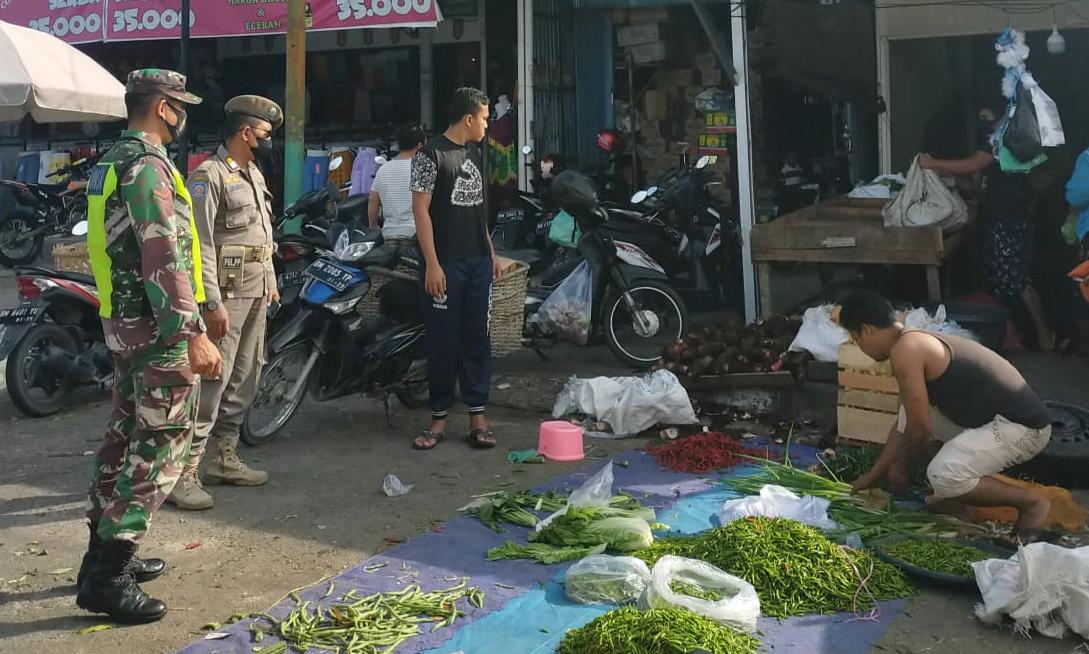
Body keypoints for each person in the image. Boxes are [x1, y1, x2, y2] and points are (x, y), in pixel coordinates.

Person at [79, 69, 222, 622]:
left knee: (122, 437)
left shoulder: (110, 161)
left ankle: (99, 557)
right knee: (159, 447)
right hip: (158, 330)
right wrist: (192, 332)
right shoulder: (147, 167)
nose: (184, 113)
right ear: (163, 107)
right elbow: (161, 253)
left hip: (125, 324)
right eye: (179, 104)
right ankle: (110, 576)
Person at [842, 290, 1053, 546]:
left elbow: (920, 432)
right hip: (991, 418)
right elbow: (905, 422)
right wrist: (875, 475)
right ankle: (954, 497)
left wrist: (903, 467)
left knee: (942, 474)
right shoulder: (911, 340)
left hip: (1024, 427)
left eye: (855, 339)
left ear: (866, 330)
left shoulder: (906, 351)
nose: (860, 347)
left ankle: (1031, 503)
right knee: (907, 417)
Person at [167, 96, 283, 511]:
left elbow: (258, 237)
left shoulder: (251, 173)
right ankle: (184, 473)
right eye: (267, 134)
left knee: (246, 376)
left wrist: (269, 282)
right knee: (212, 382)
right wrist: (210, 301)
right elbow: (199, 244)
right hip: (225, 299)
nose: (271, 141)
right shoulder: (208, 176)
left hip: (255, 292)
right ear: (247, 132)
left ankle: (224, 457)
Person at [410, 87, 504, 451]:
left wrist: (491, 252)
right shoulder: (429, 155)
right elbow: (421, 212)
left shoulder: (476, 154)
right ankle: (438, 419)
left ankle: (478, 419)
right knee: (443, 343)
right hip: (444, 265)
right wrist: (432, 264)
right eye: (483, 118)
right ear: (468, 118)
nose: (486, 125)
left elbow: (478, 211)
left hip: (477, 261)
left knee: (476, 339)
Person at [919, 105, 1055, 351]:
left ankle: (1044, 335)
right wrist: (941, 170)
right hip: (998, 218)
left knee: (1015, 278)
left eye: (986, 114)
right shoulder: (996, 139)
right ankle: (1010, 335)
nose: (982, 119)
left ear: (1000, 112)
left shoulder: (1005, 137)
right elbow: (976, 186)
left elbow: (973, 164)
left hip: (1009, 218)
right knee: (1001, 280)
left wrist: (932, 162)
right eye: (979, 115)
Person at [369, 123, 426, 240]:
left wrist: (373, 226)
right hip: (416, 233)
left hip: (388, 233)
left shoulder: (383, 169)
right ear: (420, 145)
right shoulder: (423, 169)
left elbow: (372, 200)